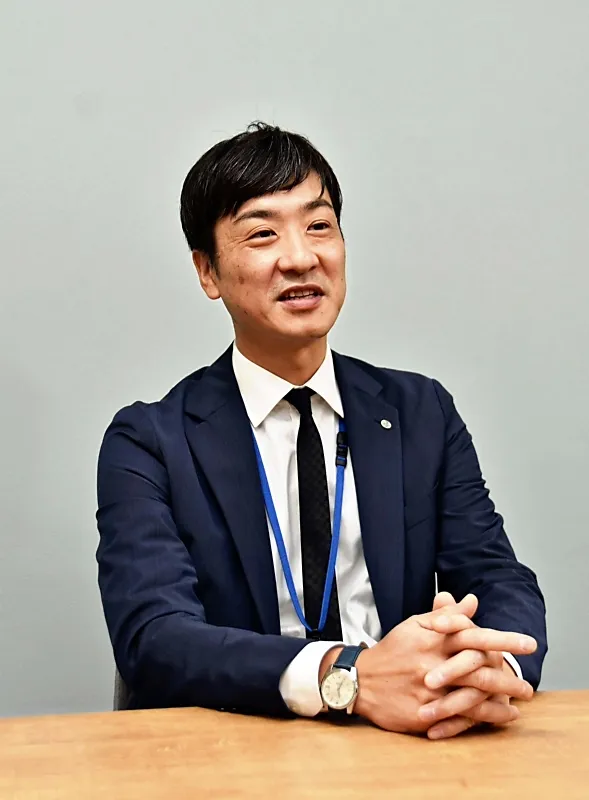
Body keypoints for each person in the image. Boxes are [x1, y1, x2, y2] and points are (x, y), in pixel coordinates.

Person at [96, 122, 546, 740]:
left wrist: (485, 668)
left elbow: (496, 577)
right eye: (262, 233)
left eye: (319, 225)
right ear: (208, 272)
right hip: (234, 747)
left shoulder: (420, 411)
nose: (301, 257)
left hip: (410, 742)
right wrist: (348, 676)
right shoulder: (149, 441)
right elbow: (155, 638)